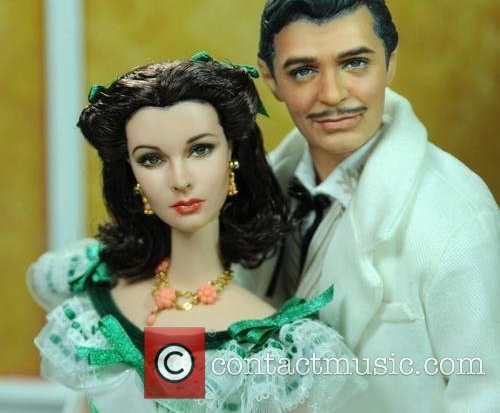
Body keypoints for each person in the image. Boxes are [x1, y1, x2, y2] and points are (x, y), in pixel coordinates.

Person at [27, 55, 364, 412]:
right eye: (151, 159)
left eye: (200, 149)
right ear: (133, 176)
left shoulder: (274, 353)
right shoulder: (95, 297)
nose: (180, 179)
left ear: (231, 154)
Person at [235, 0, 500, 412]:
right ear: (270, 79)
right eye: (303, 71)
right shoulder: (253, 194)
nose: (333, 94)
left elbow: (487, 394)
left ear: (390, 63)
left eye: (354, 63)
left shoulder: (456, 223)